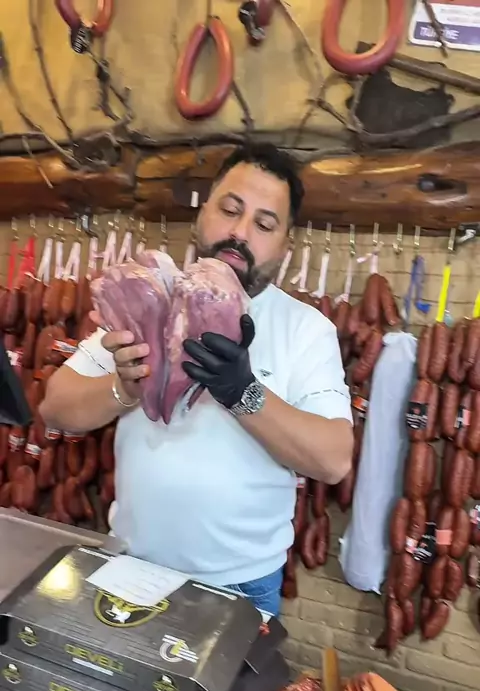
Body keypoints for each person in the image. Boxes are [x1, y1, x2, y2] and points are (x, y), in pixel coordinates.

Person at [40, 143, 353, 617]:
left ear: (285, 246)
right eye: (230, 209)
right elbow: (55, 407)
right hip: (131, 566)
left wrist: (242, 393)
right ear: (202, 213)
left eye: (264, 224)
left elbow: (333, 460)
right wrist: (124, 388)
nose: (239, 231)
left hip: (242, 584)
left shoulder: (306, 329)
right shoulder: (148, 295)